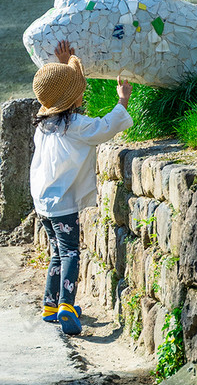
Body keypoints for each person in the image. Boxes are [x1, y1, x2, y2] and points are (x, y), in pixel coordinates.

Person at [30, 39, 133, 336]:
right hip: (62, 205)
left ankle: (50, 305)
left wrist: (65, 66)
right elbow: (105, 127)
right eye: (78, 88)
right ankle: (66, 305)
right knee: (71, 253)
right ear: (73, 98)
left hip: (42, 202)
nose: (82, 91)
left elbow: (58, 92)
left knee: (56, 253)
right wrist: (122, 100)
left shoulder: (45, 125)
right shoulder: (77, 126)